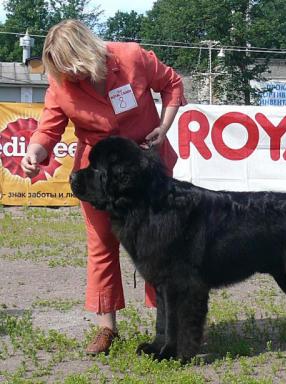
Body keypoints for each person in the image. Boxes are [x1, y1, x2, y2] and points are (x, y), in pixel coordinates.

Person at [20, 19, 187, 355]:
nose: (70, 78)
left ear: (87, 53)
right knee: (101, 246)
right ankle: (106, 328)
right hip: (99, 177)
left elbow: (173, 84)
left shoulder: (132, 57)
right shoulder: (61, 84)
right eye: (62, 72)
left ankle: (168, 326)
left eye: (73, 69)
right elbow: (48, 130)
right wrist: (33, 154)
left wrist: (164, 127)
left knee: (160, 244)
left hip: (147, 167)